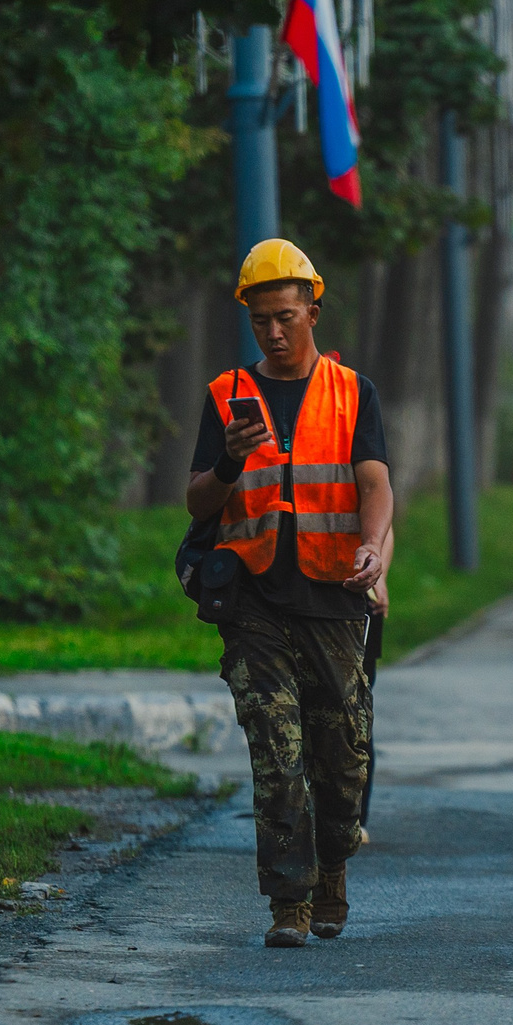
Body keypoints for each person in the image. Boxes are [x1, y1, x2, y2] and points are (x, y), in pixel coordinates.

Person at [186, 240, 392, 949]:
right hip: (254, 602)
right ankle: (288, 903)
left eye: (284, 317)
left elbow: (375, 483)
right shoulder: (226, 396)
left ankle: (333, 864)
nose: (273, 332)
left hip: (334, 596)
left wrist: (371, 547)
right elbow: (198, 501)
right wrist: (229, 460)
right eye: (259, 321)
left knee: (342, 761)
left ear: (312, 309)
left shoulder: (352, 392)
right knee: (276, 750)